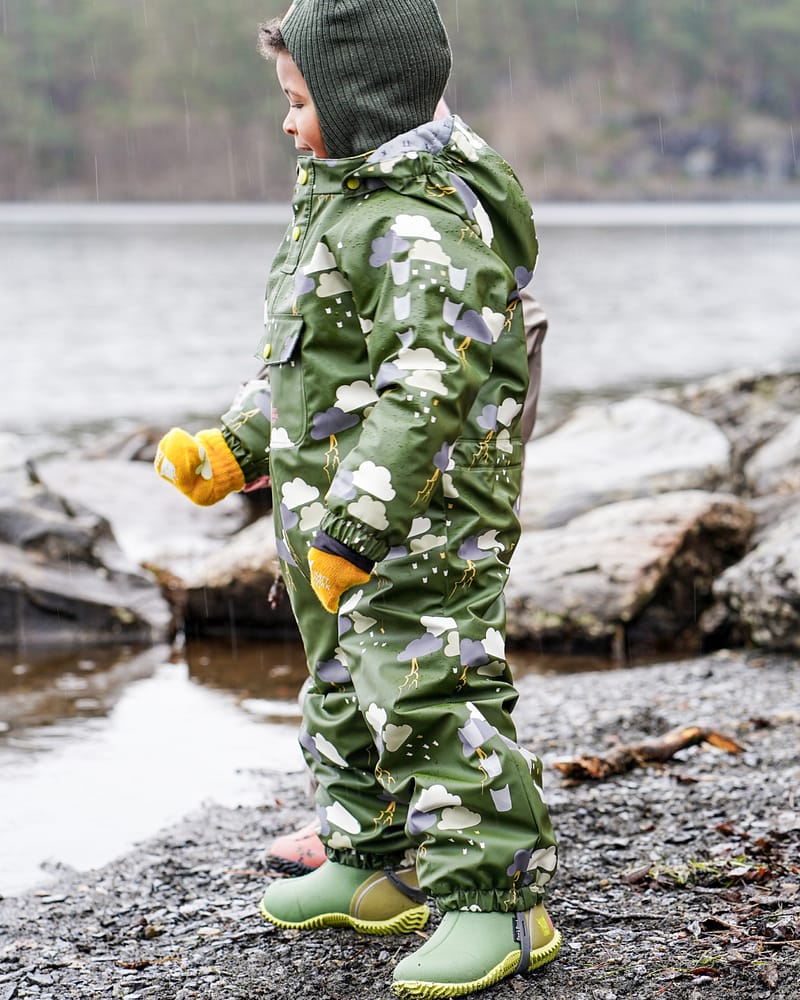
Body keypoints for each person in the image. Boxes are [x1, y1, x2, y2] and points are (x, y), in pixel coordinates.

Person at [154, 1, 560, 995]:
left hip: (420, 518)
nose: (287, 125)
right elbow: (303, 359)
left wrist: (355, 524)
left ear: (362, 104)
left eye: (300, 104)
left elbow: (429, 386)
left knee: (428, 690)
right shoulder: (339, 196)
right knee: (340, 683)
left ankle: (496, 898)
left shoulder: (421, 222)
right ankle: (368, 863)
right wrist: (235, 445)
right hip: (332, 511)